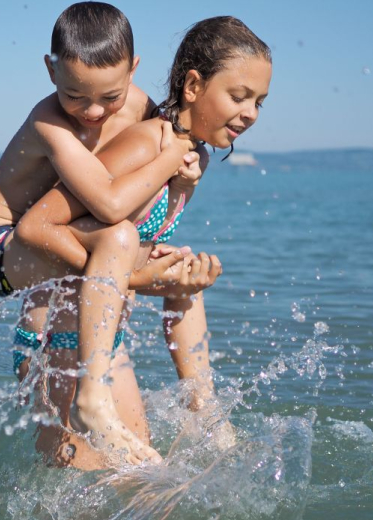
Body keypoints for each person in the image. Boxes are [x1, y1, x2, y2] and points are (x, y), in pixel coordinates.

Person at [14, 15, 272, 469]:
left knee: (147, 475)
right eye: (238, 96)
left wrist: (177, 279)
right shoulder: (146, 143)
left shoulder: (194, 159)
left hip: (102, 341)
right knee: (73, 463)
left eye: (259, 102)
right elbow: (46, 226)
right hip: (56, 330)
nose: (250, 112)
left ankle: (204, 410)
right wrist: (139, 276)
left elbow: (124, 263)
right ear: (193, 86)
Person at [0, 2, 204, 464]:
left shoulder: (141, 109)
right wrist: (171, 159)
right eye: (75, 95)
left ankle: (202, 403)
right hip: (1, 247)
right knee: (118, 241)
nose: (92, 111)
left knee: (171, 258)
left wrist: (184, 181)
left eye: (109, 97)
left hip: (60, 238)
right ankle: (93, 394)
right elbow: (109, 204)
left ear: (133, 70)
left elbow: (146, 204)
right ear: (50, 70)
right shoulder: (49, 124)